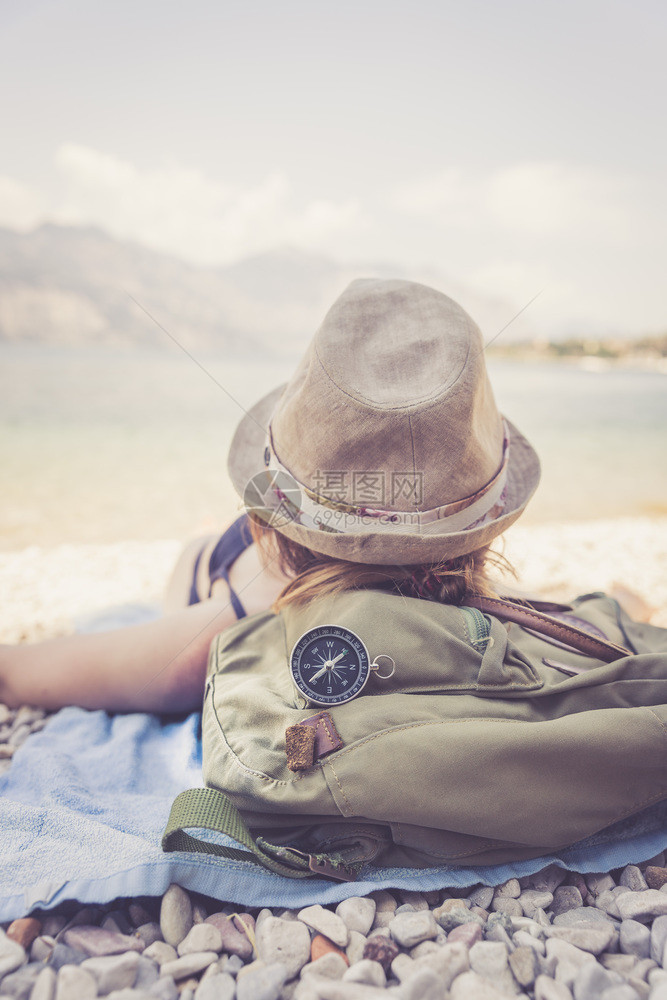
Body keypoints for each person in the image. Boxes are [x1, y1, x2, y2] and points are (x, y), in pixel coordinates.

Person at [0, 278, 642, 716]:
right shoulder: (489, 632)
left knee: (197, 553)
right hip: (321, 567)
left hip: (248, 576)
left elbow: (22, 672)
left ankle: (221, 542)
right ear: (486, 523)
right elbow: (586, 640)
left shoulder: (219, 641)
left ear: (272, 525)